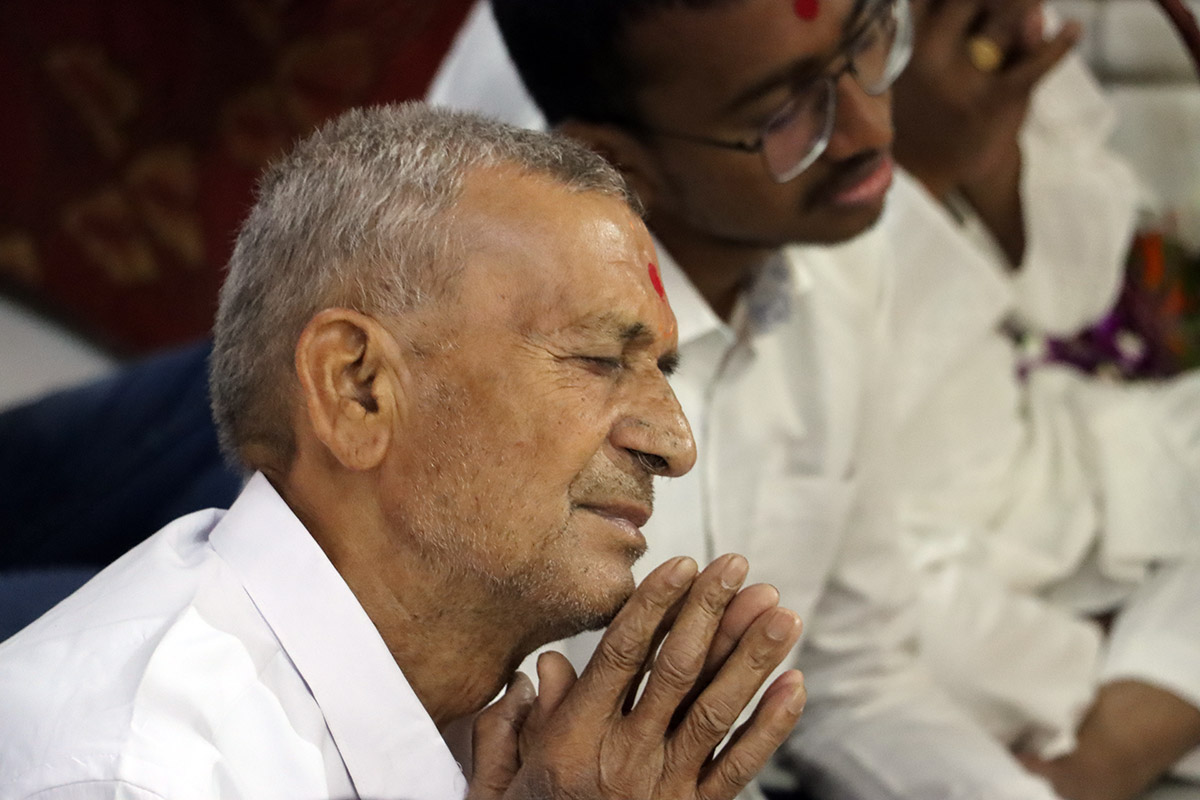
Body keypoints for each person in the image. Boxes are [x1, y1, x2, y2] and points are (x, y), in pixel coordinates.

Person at [432, 1, 1200, 797]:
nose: (869, 129)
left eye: (866, 42)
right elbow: (496, 748)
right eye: (783, 113)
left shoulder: (835, 273)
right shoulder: (512, 385)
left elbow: (853, 677)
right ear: (615, 159)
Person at [0, 103, 809, 799]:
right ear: (356, 389)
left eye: (663, 371)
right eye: (599, 359)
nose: (675, 444)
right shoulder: (132, 771)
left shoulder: (510, 738)